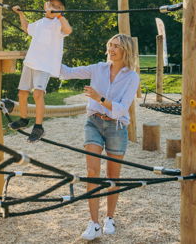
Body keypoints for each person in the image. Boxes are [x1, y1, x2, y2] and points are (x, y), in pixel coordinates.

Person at [59, 33, 140, 240]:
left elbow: (122, 109)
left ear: (126, 51)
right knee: (92, 172)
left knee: (113, 176)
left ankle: (109, 218)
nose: (112, 49)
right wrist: (50, 46)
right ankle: (93, 222)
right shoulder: (97, 68)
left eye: (117, 46)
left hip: (117, 127)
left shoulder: (132, 77)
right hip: (93, 122)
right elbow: (66, 72)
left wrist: (99, 98)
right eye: (110, 45)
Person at [9, 0, 73, 142]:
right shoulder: (39, 22)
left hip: (44, 65)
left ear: (62, 10)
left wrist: (59, 16)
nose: (54, 8)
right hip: (30, 62)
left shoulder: (59, 24)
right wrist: (21, 14)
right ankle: (24, 119)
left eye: (58, 7)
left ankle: (38, 126)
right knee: (22, 93)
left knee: (38, 94)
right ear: (45, 6)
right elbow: (26, 28)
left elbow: (68, 30)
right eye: (52, 5)